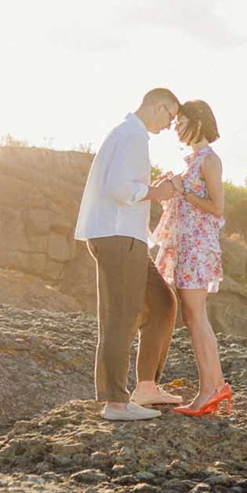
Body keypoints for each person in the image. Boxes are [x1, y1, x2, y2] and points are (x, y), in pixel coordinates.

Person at [73, 88, 183, 421]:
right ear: (159, 107)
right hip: (117, 235)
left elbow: (123, 184)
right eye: (170, 117)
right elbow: (118, 188)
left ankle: (146, 387)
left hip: (129, 236)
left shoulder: (129, 135)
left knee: (163, 302)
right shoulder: (132, 135)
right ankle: (115, 403)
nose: (169, 126)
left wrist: (152, 189)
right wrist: (157, 192)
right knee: (121, 316)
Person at [150, 99, 229, 416]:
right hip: (186, 247)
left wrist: (184, 192)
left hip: (198, 248)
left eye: (181, 120)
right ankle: (216, 385)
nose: (176, 126)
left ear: (197, 121)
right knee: (195, 318)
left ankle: (210, 389)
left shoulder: (210, 160)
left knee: (196, 318)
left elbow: (218, 207)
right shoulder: (193, 159)